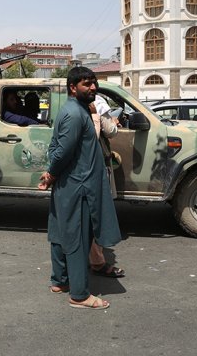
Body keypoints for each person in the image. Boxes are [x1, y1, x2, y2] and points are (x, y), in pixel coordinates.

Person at [38, 66, 122, 310]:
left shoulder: (76, 110)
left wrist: (52, 174)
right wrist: (52, 173)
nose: (93, 87)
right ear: (73, 88)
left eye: (94, 83)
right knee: (77, 238)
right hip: (78, 185)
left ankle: (60, 281)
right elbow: (63, 151)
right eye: (87, 84)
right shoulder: (75, 114)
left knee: (60, 232)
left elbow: (59, 148)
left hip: (71, 183)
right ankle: (79, 295)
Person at [88, 94, 125, 278]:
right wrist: (105, 119)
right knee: (96, 215)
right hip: (95, 166)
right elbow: (108, 131)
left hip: (87, 168)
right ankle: (97, 261)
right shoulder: (95, 106)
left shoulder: (72, 107)